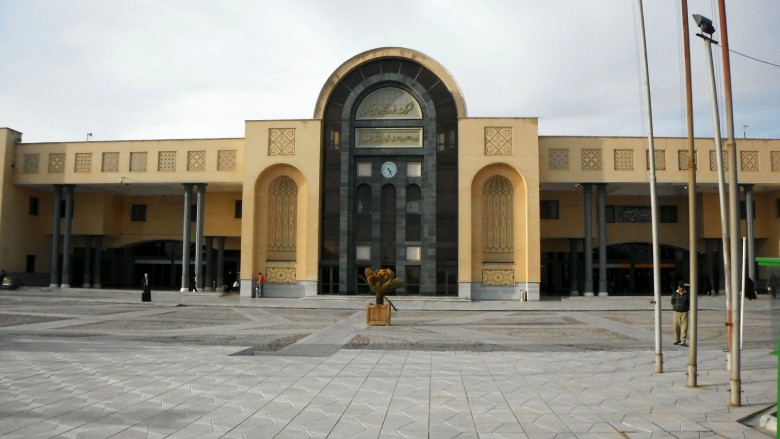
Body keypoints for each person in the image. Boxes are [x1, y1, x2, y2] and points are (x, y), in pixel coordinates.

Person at [671, 280, 689, 346]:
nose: (681, 288)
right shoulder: (675, 294)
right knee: (676, 327)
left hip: (684, 312)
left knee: (684, 327)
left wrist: (686, 307)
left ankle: (683, 341)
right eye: (680, 287)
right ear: (678, 287)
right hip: (676, 312)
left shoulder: (687, 294)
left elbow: (689, 303)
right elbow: (672, 302)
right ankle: (677, 340)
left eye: (683, 287)